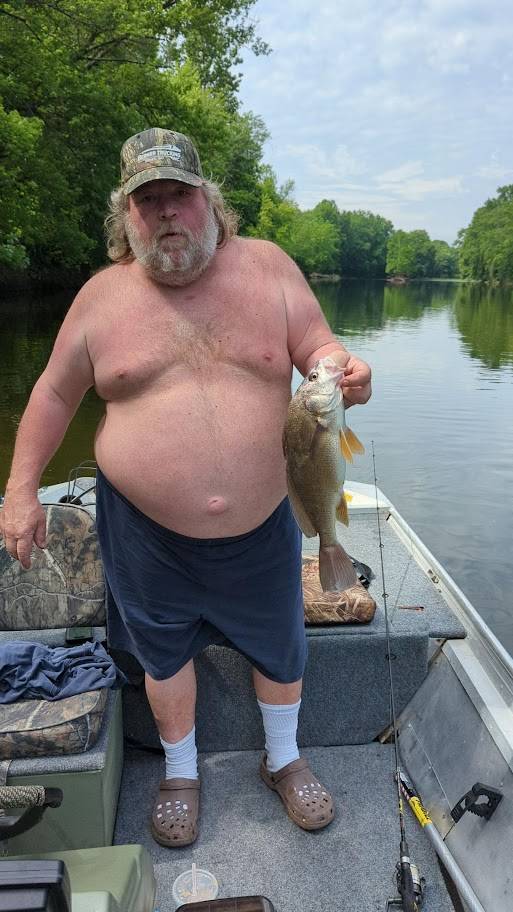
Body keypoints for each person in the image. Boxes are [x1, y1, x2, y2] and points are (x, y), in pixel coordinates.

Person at [0, 128, 372, 847]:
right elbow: (51, 396)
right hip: (143, 534)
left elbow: (320, 347)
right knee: (161, 651)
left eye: (179, 195)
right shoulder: (98, 299)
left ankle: (284, 760)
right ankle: (179, 772)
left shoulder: (267, 269)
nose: (167, 212)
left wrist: (344, 367)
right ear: (126, 217)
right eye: (148, 201)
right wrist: (19, 492)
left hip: (266, 519)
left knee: (279, 645)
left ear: (209, 202)